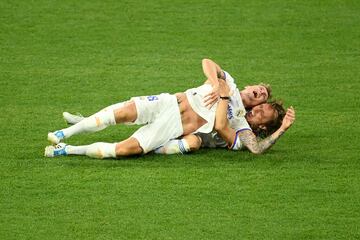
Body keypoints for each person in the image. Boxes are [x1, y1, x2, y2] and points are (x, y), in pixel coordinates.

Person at [44, 59, 270, 159]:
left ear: (258, 105)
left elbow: (255, 147)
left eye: (262, 97)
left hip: (173, 127)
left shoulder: (239, 119)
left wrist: (282, 129)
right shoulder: (228, 80)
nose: (258, 93)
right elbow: (207, 62)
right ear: (250, 85)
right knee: (122, 113)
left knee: (124, 151)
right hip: (169, 102)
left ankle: (68, 149)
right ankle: (65, 133)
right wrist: (215, 81)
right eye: (259, 88)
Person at [156, 80, 295, 155]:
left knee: (193, 143)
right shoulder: (238, 106)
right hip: (185, 116)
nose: (257, 109)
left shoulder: (243, 134)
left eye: (262, 114)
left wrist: (282, 129)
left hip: (188, 133)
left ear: (263, 126)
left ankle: (156, 149)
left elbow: (256, 148)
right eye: (261, 106)